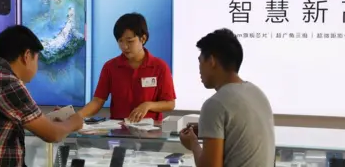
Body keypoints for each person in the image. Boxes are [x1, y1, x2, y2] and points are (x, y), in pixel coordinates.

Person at [0, 25, 83, 167]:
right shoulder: (7, 82)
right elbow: (53, 135)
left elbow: (11, 118)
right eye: (36, 59)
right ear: (26, 56)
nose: (36, 66)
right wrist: (74, 122)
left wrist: (48, 121)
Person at [179, 28, 275, 167]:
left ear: (211, 61)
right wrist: (207, 129)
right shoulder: (257, 93)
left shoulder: (215, 104)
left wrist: (193, 143)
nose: (199, 68)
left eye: (200, 61)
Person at [78, 13, 176, 122]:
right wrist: (77, 116)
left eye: (130, 41)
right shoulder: (110, 67)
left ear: (143, 39)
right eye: (120, 41)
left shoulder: (160, 67)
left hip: (151, 133)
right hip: (118, 132)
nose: (124, 46)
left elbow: (170, 104)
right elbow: (97, 101)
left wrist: (148, 105)